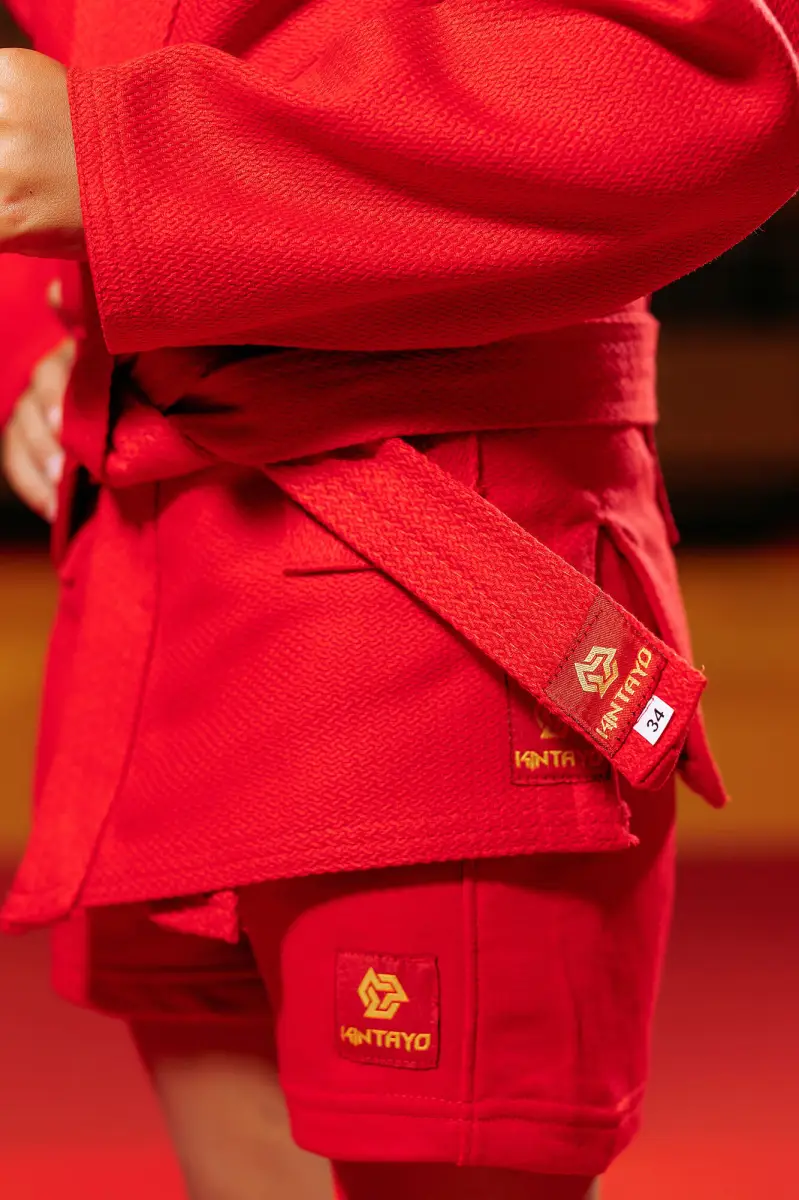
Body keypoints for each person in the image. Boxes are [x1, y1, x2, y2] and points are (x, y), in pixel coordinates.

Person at [1, 3, 797, 1197]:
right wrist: (39, 326)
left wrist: (132, 164)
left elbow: (704, 76)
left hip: (433, 579)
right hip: (154, 565)